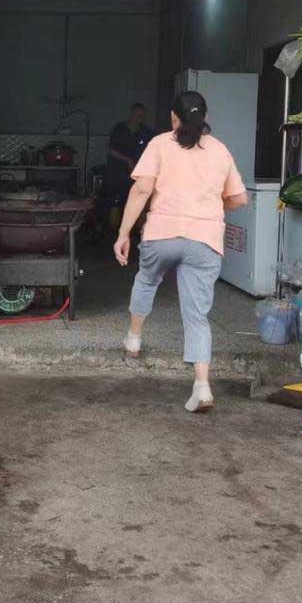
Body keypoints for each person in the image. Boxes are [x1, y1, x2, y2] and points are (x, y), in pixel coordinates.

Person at [113, 91, 247, 413]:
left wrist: (123, 233)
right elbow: (238, 198)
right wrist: (213, 204)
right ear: (204, 117)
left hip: (162, 234)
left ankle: (134, 338)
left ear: (173, 117)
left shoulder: (160, 144)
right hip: (204, 240)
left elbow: (142, 189)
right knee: (197, 314)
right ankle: (202, 386)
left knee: (147, 279)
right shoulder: (220, 150)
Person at [99, 103, 155, 234]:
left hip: (135, 175)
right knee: (109, 203)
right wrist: (127, 160)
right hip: (116, 173)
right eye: (137, 114)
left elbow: (151, 152)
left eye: (142, 115)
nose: (139, 118)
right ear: (131, 114)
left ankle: (130, 231)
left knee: (131, 203)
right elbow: (111, 150)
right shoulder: (119, 129)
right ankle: (106, 231)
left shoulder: (146, 132)